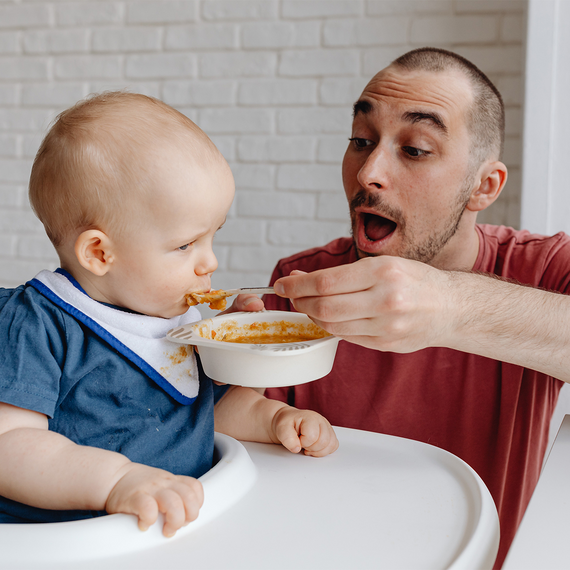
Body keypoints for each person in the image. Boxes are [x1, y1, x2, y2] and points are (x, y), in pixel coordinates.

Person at [262, 47, 570, 569]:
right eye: (361, 141)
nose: (369, 173)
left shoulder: (544, 269)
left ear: (484, 186)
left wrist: (450, 306)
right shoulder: (299, 281)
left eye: (417, 149)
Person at [0, 91, 338, 537]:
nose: (210, 262)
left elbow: (201, 410)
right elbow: (10, 445)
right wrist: (116, 481)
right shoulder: (37, 325)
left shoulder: (175, 320)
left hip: (183, 526)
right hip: (71, 542)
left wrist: (274, 420)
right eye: (184, 246)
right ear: (100, 252)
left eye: (212, 237)